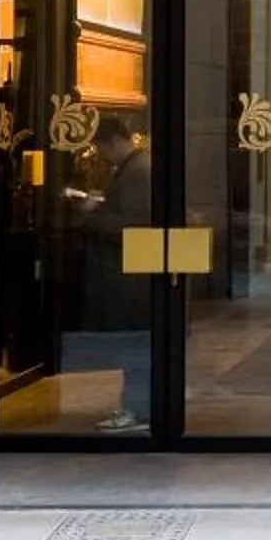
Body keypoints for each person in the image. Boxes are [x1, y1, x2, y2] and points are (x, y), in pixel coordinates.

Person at [82, 110, 155, 433]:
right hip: (137, 270)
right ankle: (138, 408)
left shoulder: (136, 171)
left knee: (135, 343)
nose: (101, 157)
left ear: (112, 142)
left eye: (101, 149)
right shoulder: (137, 167)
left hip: (132, 273)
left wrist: (94, 215)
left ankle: (138, 410)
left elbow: (134, 225)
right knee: (136, 343)